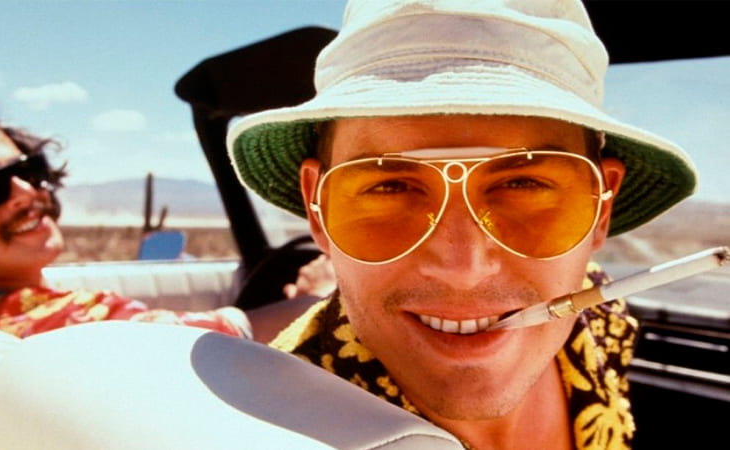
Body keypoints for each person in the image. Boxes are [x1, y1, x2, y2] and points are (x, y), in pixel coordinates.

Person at [226, 0, 697, 448]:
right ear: (317, 208)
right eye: (391, 187)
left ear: (602, 208)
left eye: (524, 184)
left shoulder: (599, 318)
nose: (464, 270)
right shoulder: (273, 432)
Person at [0, 84, 333, 344]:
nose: (26, 192)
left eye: (29, 170)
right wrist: (320, 297)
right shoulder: (55, 321)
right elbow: (217, 344)